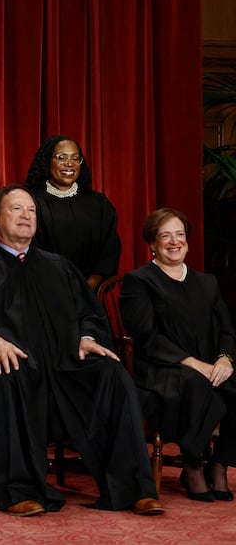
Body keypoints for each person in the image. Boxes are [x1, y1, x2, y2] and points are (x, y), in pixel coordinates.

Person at [0, 185, 163, 517]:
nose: (26, 216)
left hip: (65, 367)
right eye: (16, 209)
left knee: (112, 375)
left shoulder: (59, 267)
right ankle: (20, 489)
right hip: (18, 372)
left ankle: (134, 488)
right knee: (6, 374)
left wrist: (87, 336)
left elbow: (89, 313)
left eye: (31, 210)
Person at [120, 208, 236, 502]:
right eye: (165, 236)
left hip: (210, 365)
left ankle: (220, 465)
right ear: (153, 244)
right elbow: (145, 335)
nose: (174, 242)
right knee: (196, 385)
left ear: (188, 241)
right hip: (161, 368)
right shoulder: (139, 281)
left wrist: (224, 358)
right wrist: (194, 363)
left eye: (180, 235)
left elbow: (227, 330)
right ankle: (193, 463)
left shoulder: (207, 282)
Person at [23, 135, 121, 291]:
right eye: (61, 157)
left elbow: (110, 248)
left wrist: (91, 284)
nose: (69, 164)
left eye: (76, 158)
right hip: (48, 291)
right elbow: (31, 249)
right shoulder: (32, 202)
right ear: (47, 161)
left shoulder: (98, 203)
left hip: (92, 294)